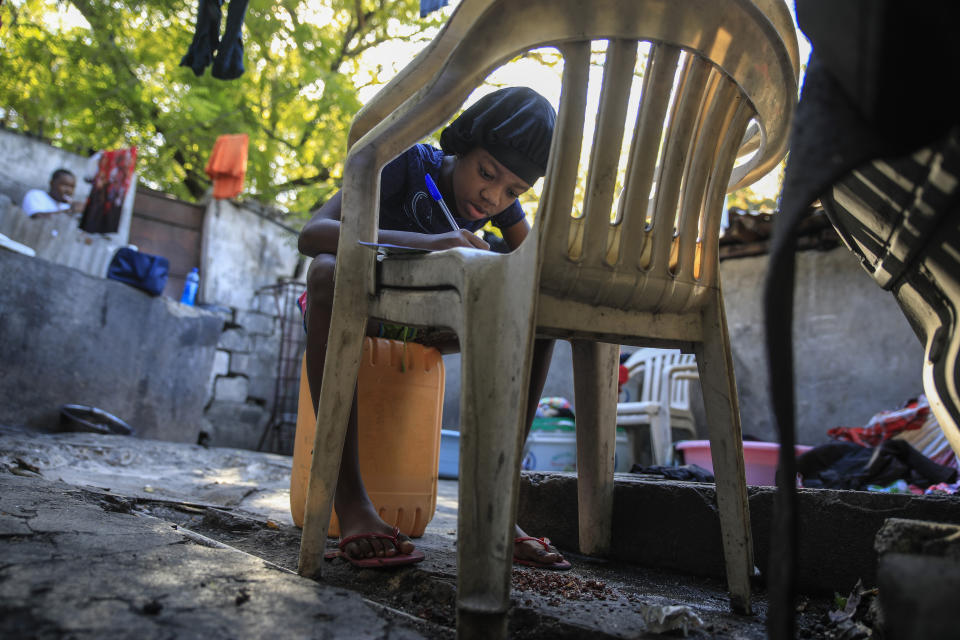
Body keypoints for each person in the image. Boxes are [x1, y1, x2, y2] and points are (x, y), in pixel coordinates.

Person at [298, 87, 570, 569]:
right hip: (360, 310)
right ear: (461, 145)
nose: (492, 196)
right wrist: (431, 244)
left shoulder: (498, 206)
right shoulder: (409, 163)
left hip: (426, 327)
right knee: (324, 272)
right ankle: (351, 502)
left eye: (513, 191)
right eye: (486, 173)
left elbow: (536, 266)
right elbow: (313, 234)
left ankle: (495, 508)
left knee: (541, 314)